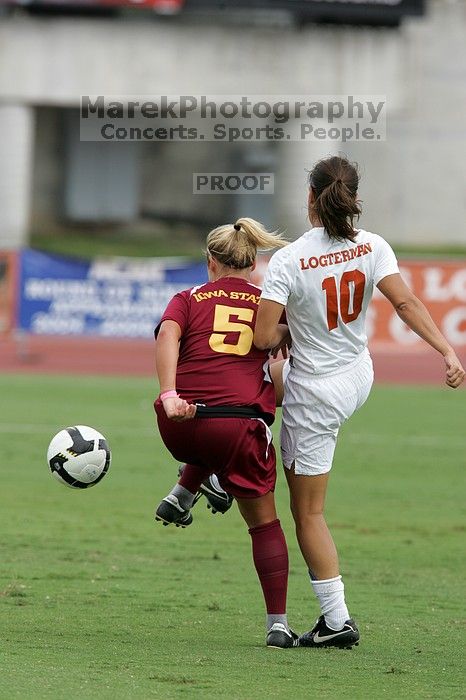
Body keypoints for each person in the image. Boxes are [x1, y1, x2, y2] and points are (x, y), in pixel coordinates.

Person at [253, 155, 465, 650]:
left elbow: (264, 335)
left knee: (308, 514)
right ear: (351, 197)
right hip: (356, 374)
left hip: (317, 393)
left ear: (310, 197)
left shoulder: (288, 259)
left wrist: (288, 327)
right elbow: (407, 304)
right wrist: (448, 351)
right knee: (266, 386)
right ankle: (222, 467)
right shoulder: (373, 245)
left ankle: (335, 620)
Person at [153, 218, 299, 648]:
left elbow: (167, 334)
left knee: (212, 430)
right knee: (265, 524)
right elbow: (294, 344)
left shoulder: (187, 297)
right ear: (254, 264)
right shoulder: (268, 302)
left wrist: (168, 394)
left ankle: (185, 490)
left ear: (210, 262)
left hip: (179, 425)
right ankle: (277, 624)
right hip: (238, 427)